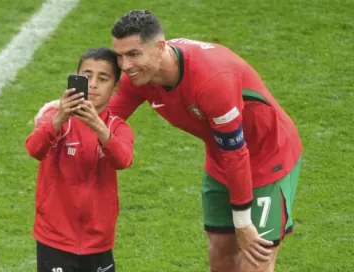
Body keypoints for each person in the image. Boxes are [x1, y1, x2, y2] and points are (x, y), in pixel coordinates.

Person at [35, 10, 303, 272]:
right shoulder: (140, 77)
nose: (125, 66)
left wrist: (243, 222)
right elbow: (104, 116)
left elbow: (236, 152)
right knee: (221, 251)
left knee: (255, 260)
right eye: (120, 56)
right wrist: (60, 111)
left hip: (269, 157)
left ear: (160, 48)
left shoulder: (212, 81)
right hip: (222, 158)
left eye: (133, 54)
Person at [25, 47, 134, 272]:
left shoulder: (117, 127)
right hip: (55, 238)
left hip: (98, 240)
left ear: (115, 88)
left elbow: (123, 160)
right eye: (86, 76)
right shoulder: (55, 117)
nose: (93, 84)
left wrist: (98, 127)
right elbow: (34, 149)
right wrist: (59, 118)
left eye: (102, 78)